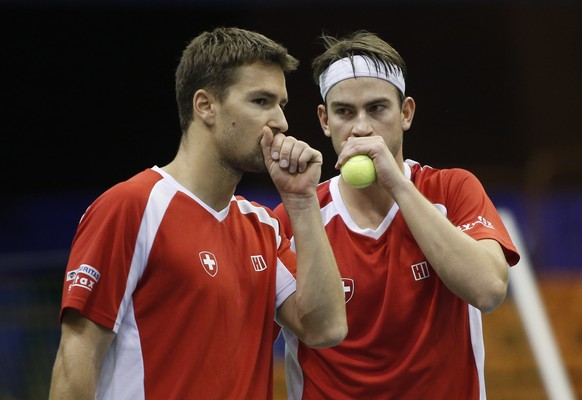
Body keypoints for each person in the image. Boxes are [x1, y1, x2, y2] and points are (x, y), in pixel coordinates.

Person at [48, 27, 347, 400]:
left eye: (280, 104)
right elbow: (77, 359)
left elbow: (326, 328)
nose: (280, 122)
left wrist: (302, 204)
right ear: (205, 105)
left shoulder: (262, 226)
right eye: (260, 101)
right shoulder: (131, 207)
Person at [273, 30, 520, 399]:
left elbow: (488, 291)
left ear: (405, 113)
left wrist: (399, 186)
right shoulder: (295, 216)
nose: (360, 127)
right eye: (344, 112)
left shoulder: (451, 190)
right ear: (324, 121)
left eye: (377, 108)